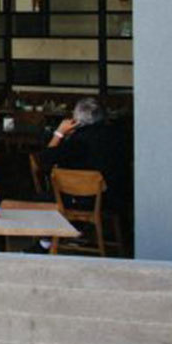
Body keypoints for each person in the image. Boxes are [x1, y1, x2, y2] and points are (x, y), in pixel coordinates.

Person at [30, 97, 127, 251]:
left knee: (41, 198)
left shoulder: (79, 142)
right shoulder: (116, 136)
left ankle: (46, 242)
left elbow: (43, 161)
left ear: (76, 120)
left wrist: (59, 133)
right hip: (114, 197)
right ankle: (75, 234)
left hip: (82, 201)